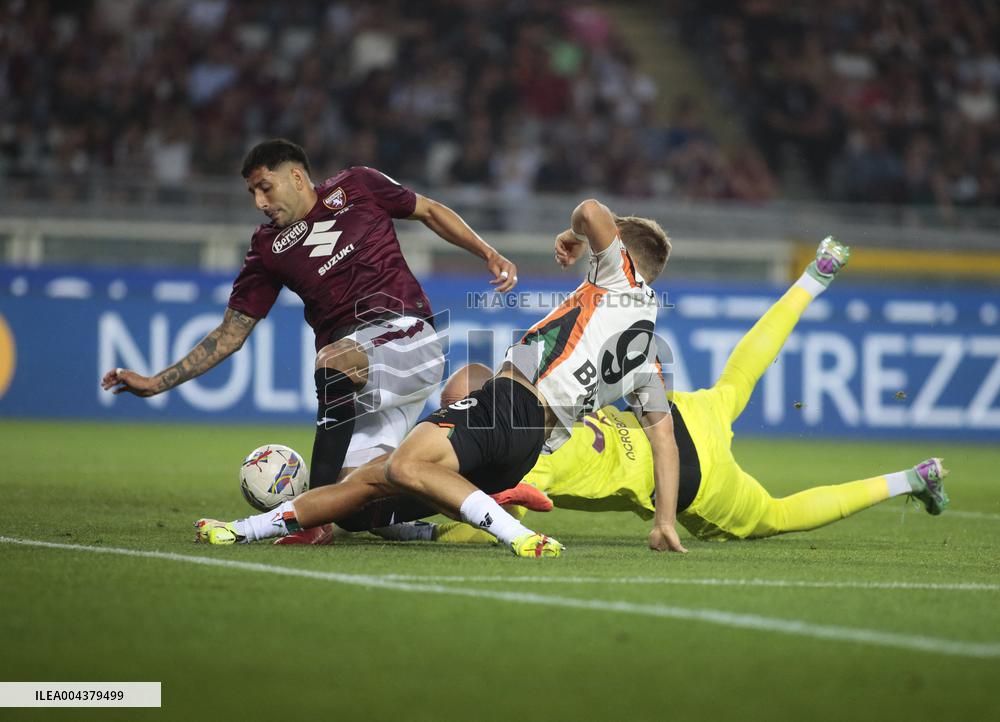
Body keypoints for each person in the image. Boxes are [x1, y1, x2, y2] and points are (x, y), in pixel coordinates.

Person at [195, 198, 685, 556]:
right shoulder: (648, 355)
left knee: (404, 467)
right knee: (367, 484)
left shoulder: (618, 276)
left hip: (508, 408)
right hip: (526, 448)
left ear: (623, 251)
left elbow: (591, 210)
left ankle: (517, 534)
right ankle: (242, 531)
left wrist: (574, 236)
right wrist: (664, 521)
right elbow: (664, 441)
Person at [385, 237, 951, 547]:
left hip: (693, 480)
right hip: (684, 416)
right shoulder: (540, 386)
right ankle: (813, 278)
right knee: (738, 378)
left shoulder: (528, 454)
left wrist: (421, 531)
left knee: (777, 516)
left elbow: (481, 513)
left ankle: (909, 479)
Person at [101, 138, 518, 543]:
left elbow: (428, 210)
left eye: (265, 187)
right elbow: (231, 333)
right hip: (365, 380)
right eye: (252, 193)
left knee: (333, 362)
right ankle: (487, 493)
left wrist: (488, 253)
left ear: (297, 178)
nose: (259, 202)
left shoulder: (357, 185)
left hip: (408, 338)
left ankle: (311, 520)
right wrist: (156, 383)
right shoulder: (267, 248)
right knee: (353, 502)